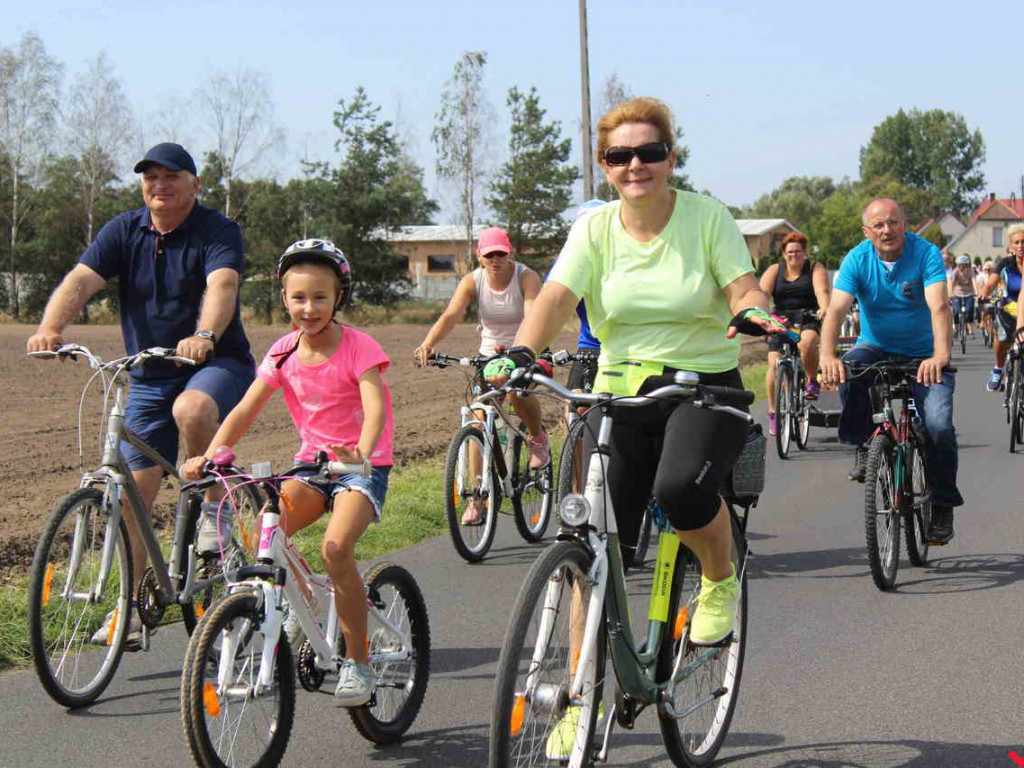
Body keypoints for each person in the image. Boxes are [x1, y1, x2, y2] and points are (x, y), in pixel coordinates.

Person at [26, 142, 255, 645]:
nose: (159, 185)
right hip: (148, 374)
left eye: (171, 176)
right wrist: (50, 327)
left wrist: (206, 336)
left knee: (192, 408)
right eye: (149, 177)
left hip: (215, 363)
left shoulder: (217, 231)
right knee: (132, 496)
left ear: (194, 184)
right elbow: (82, 280)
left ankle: (211, 517)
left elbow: (223, 284)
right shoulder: (123, 230)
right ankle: (128, 608)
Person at [183, 238, 393, 707]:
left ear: (339, 296)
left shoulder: (359, 347)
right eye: (299, 298)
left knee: (336, 549)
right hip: (312, 467)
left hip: (361, 467)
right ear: (284, 298)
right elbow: (243, 409)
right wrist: (214, 451)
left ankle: (357, 662)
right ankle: (305, 608)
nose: (310, 307)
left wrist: (361, 449)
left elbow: (374, 406)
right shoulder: (282, 352)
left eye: (321, 297)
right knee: (265, 533)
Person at [820, 198, 962, 544]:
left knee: (939, 426)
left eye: (894, 222)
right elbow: (837, 311)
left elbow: (939, 306)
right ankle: (865, 444)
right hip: (876, 346)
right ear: (867, 231)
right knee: (851, 368)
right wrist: (827, 356)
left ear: (905, 223)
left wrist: (940, 355)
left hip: (925, 355)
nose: (888, 230)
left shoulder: (925, 253)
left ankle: (943, 503)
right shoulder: (857, 259)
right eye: (879, 225)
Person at [413, 227, 547, 524]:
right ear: (479, 256)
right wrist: (429, 343)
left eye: (501, 253)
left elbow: (534, 315)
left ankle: (537, 437)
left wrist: (520, 355)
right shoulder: (472, 281)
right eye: (489, 255)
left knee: (517, 393)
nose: (496, 260)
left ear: (509, 252)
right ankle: (477, 496)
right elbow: (451, 314)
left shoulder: (526, 277)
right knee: (477, 417)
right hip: (488, 356)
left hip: (523, 349)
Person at [759, 231, 830, 435]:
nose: (794, 255)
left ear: (804, 252)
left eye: (798, 251)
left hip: (808, 316)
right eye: (790, 251)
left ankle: (810, 380)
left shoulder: (814, 268)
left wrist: (824, 307)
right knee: (773, 364)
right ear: (783, 253)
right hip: (781, 320)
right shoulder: (775, 270)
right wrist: (758, 313)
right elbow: (762, 294)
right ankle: (773, 412)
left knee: (806, 343)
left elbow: (821, 291)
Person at [978, 224, 1024, 391]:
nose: (1020, 246)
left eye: (1023, 242)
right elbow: (992, 282)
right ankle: (998, 369)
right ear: (1011, 246)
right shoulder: (1005, 264)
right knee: (1002, 339)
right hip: (1009, 306)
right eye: (1017, 242)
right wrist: (984, 292)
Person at [948, 254, 977, 336]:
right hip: (957, 293)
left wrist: (976, 291)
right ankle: (956, 329)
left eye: (961, 265)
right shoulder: (955, 272)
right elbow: (952, 283)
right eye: (958, 265)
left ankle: (971, 330)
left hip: (969, 293)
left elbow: (974, 281)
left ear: (966, 265)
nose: (960, 267)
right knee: (956, 311)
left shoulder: (971, 271)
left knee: (969, 310)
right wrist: (950, 292)